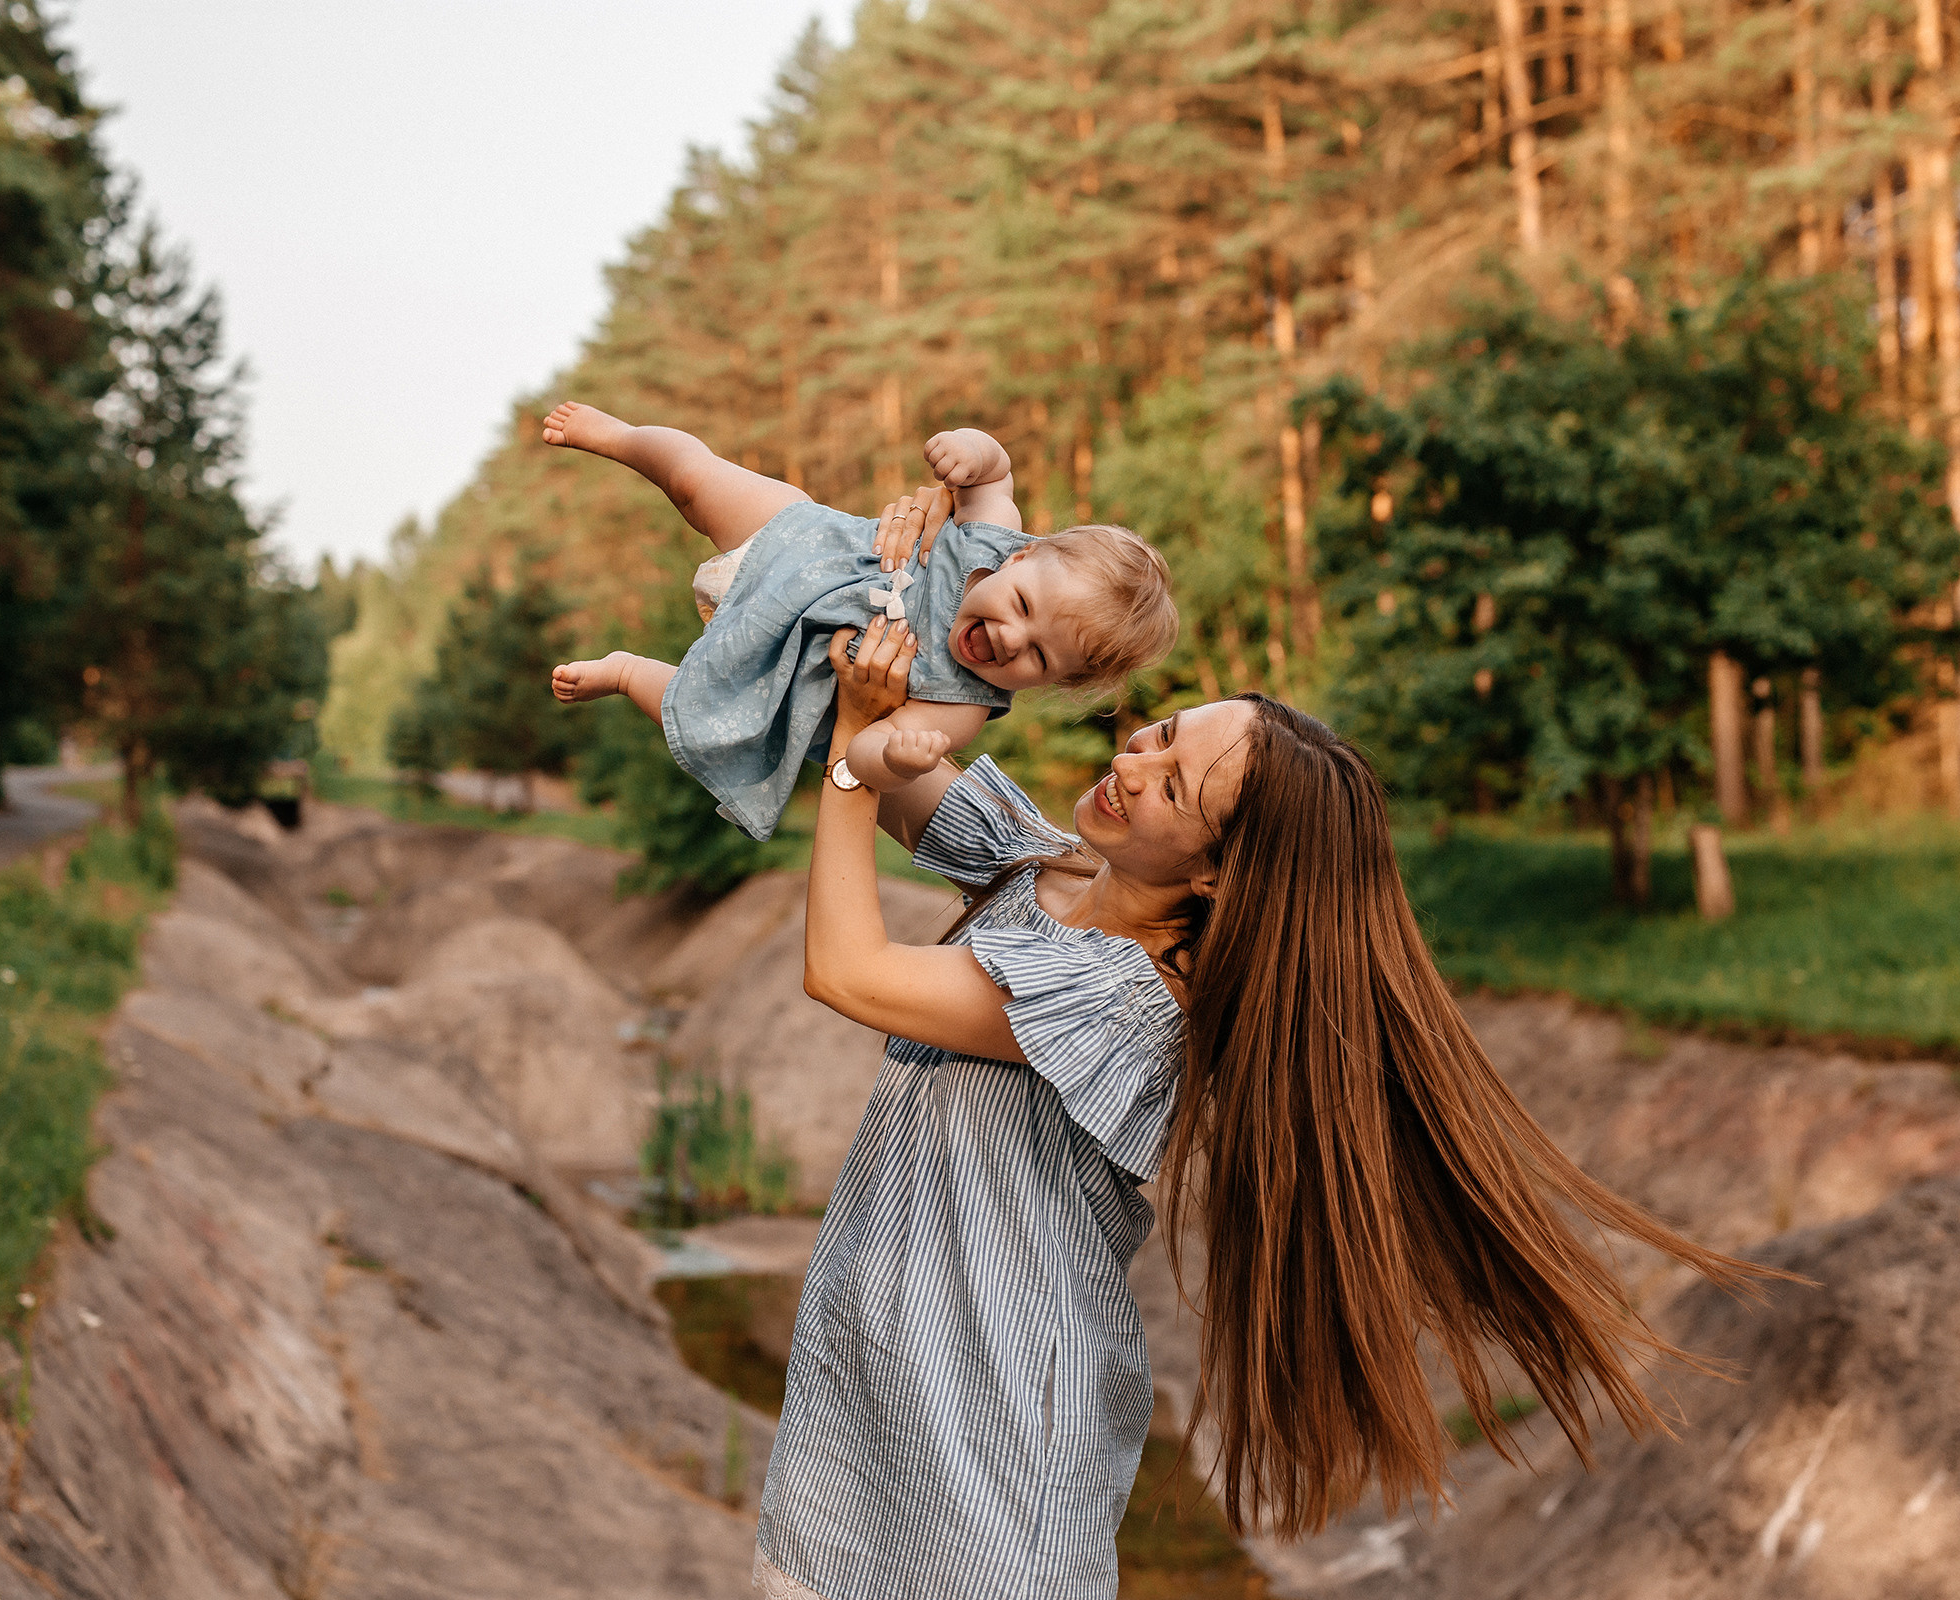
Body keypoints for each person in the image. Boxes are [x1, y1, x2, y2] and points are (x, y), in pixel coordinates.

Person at [758, 616, 1772, 1600]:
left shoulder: (1122, 999)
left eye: (1173, 785)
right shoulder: (1047, 866)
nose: (1132, 767)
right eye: (1156, 734)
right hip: (867, 1394)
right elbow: (876, 745)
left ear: (1213, 871)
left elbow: (847, 968)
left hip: (991, 1419)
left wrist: (858, 753)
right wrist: (832, 619)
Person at [540, 401, 1176, 839]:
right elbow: (997, 469)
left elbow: (860, 755)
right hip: (796, 545)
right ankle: (618, 436)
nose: (1012, 640)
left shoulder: (963, 708)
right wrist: (968, 450)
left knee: (711, 716)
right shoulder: (991, 538)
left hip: (772, 670)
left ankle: (626, 673)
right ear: (1026, 553)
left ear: (1055, 681)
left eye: (1039, 656)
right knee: (694, 478)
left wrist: (899, 759)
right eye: (1023, 606)